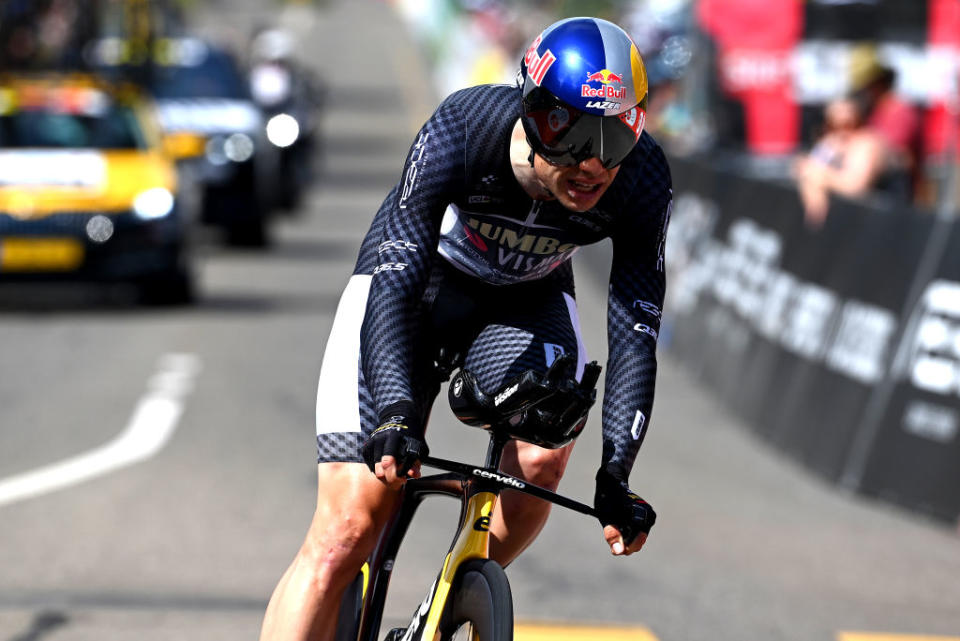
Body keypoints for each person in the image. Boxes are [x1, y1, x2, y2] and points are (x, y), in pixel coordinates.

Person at [259, 17, 670, 641]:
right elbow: (395, 274)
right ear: (533, 114)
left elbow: (636, 326)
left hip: (522, 303)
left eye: (618, 136)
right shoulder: (466, 127)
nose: (594, 163)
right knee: (348, 528)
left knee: (543, 453)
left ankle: (442, 609)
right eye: (574, 132)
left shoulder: (641, 178)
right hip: (415, 289)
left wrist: (617, 474)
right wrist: (397, 410)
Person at [793, 96, 888, 227]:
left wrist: (821, 176)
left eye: (848, 124)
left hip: (879, 220)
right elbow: (807, 171)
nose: (842, 131)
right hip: (846, 220)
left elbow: (855, 186)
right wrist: (814, 191)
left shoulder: (866, 143)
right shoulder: (831, 142)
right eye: (833, 125)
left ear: (859, 120)